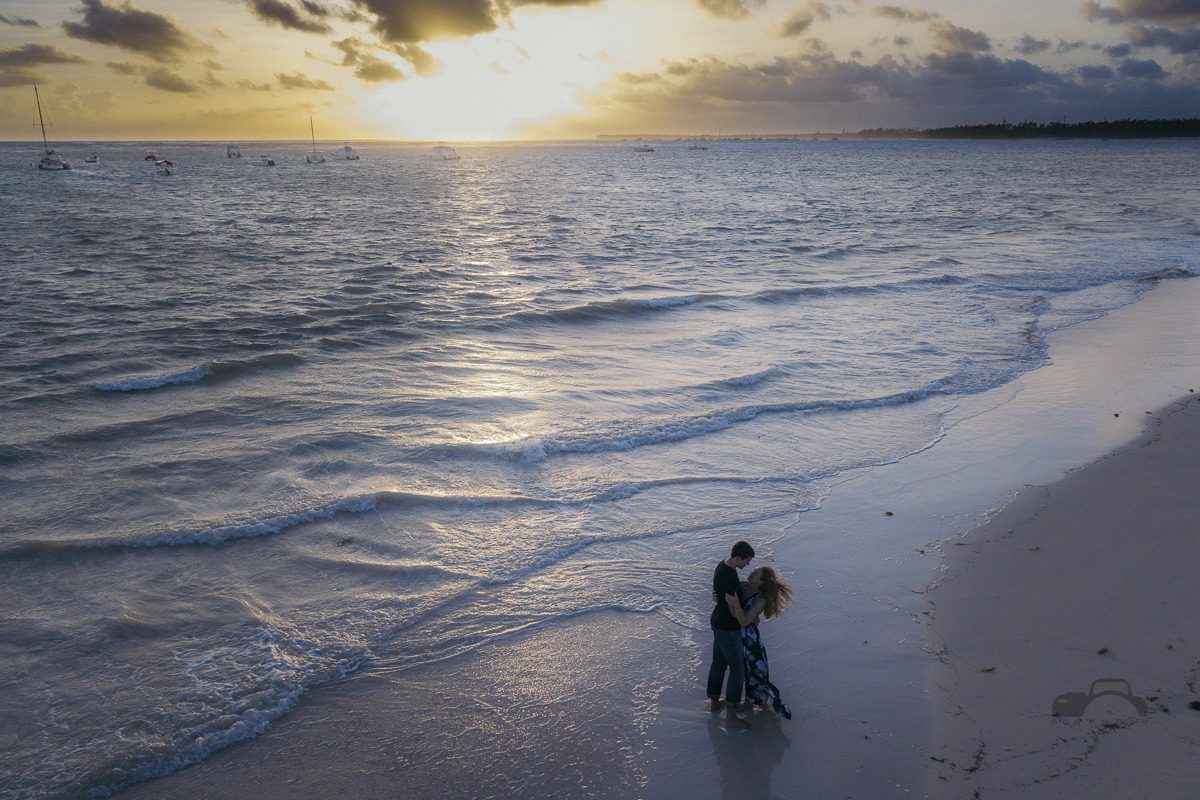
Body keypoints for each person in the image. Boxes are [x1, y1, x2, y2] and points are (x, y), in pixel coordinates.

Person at [724, 565, 794, 719]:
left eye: (755, 573)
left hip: (750, 640)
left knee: (756, 673)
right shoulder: (744, 586)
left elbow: (745, 621)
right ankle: (749, 703)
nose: (751, 573)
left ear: (761, 581)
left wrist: (735, 604)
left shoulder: (760, 599)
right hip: (737, 636)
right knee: (746, 671)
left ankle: (764, 707)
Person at [706, 540, 755, 728]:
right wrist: (748, 619)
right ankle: (731, 715)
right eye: (746, 561)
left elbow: (724, 592)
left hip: (717, 622)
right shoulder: (729, 577)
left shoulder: (723, 566)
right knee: (737, 670)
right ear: (737, 558)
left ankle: (714, 702)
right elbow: (735, 607)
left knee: (718, 663)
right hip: (727, 628)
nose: (747, 565)